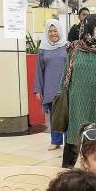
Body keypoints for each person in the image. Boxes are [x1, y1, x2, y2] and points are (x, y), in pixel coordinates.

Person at [58, 14, 96, 168]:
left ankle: (95, 173)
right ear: (89, 28)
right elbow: (65, 76)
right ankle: (67, 173)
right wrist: (62, 98)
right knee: (73, 136)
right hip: (76, 102)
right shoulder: (74, 49)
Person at [34, 19, 68, 150]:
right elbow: (39, 70)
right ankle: (55, 141)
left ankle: (69, 141)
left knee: (66, 115)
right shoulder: (43, 49)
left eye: (55, 31)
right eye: (50, 31)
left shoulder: (67, 46)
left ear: (60, 31)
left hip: (65, 87)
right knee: (54, 116)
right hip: (49, 87)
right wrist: (38, 90)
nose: (53, 34)